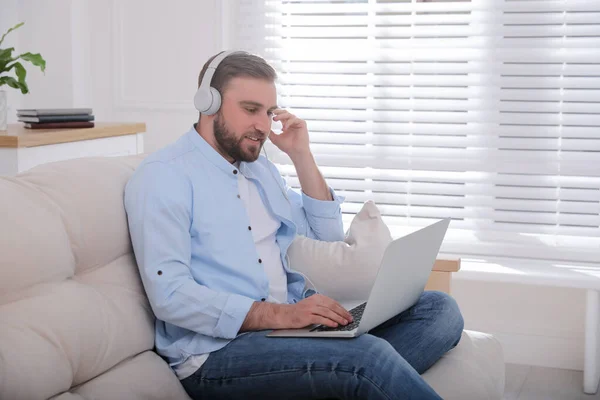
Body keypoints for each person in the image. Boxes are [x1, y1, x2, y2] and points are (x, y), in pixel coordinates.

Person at [124, 50, 464, 400]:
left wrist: (302, 155)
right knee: (369, 358)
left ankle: (349, 380)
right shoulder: (164, 177)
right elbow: (170, 296)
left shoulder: (261, 170)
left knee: (439, 309)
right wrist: (282, 315)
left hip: (288, 332)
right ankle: (358, 375)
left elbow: (327, 239)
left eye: (269, 113)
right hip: (216, 353)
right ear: (208, 103)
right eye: (250, 109)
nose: (263, 125)